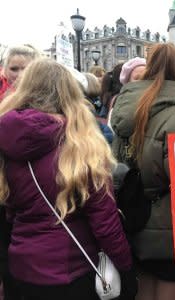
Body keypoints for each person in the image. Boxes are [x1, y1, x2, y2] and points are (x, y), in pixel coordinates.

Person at [0, 58, 137, 300]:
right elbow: (105, 222)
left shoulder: (6, 137)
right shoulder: (80, 145)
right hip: (71, 270)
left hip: (20, 267)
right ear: (70, 92)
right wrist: (126, 270)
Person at [110, 43, 175, 300]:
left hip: (133, 214)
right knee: (170, 281)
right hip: (170, 222)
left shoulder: (125, 106)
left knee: (143, 279)